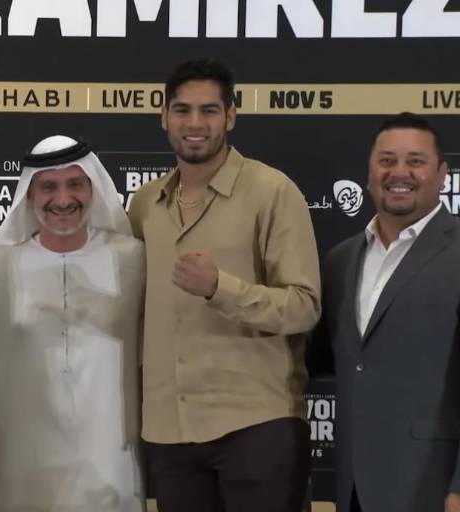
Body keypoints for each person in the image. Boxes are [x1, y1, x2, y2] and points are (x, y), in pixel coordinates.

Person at [128, 58, 321, 512]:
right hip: (170, 433)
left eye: (209, 110)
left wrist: (221, 288)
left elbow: (304, 306)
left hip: (256, 426)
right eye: (182, 110)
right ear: (163, 116)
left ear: (230, 116)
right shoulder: (145, 204)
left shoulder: (272, 191)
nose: (195, 123)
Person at [0, 134, 145, 512]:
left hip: (112, 464)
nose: (63, 199)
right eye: (48, 186)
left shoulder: (132, 260)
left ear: (93, 189)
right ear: (28, 196)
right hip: (20, 464)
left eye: (75, 184)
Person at [307, 113, 460, 512]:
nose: (399, 172)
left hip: (434, 487)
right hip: (353, 487)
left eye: (416, 161)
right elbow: (317, 361)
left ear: (443, 175)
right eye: (387, 160)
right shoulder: (340, 260)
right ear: (370, 172)